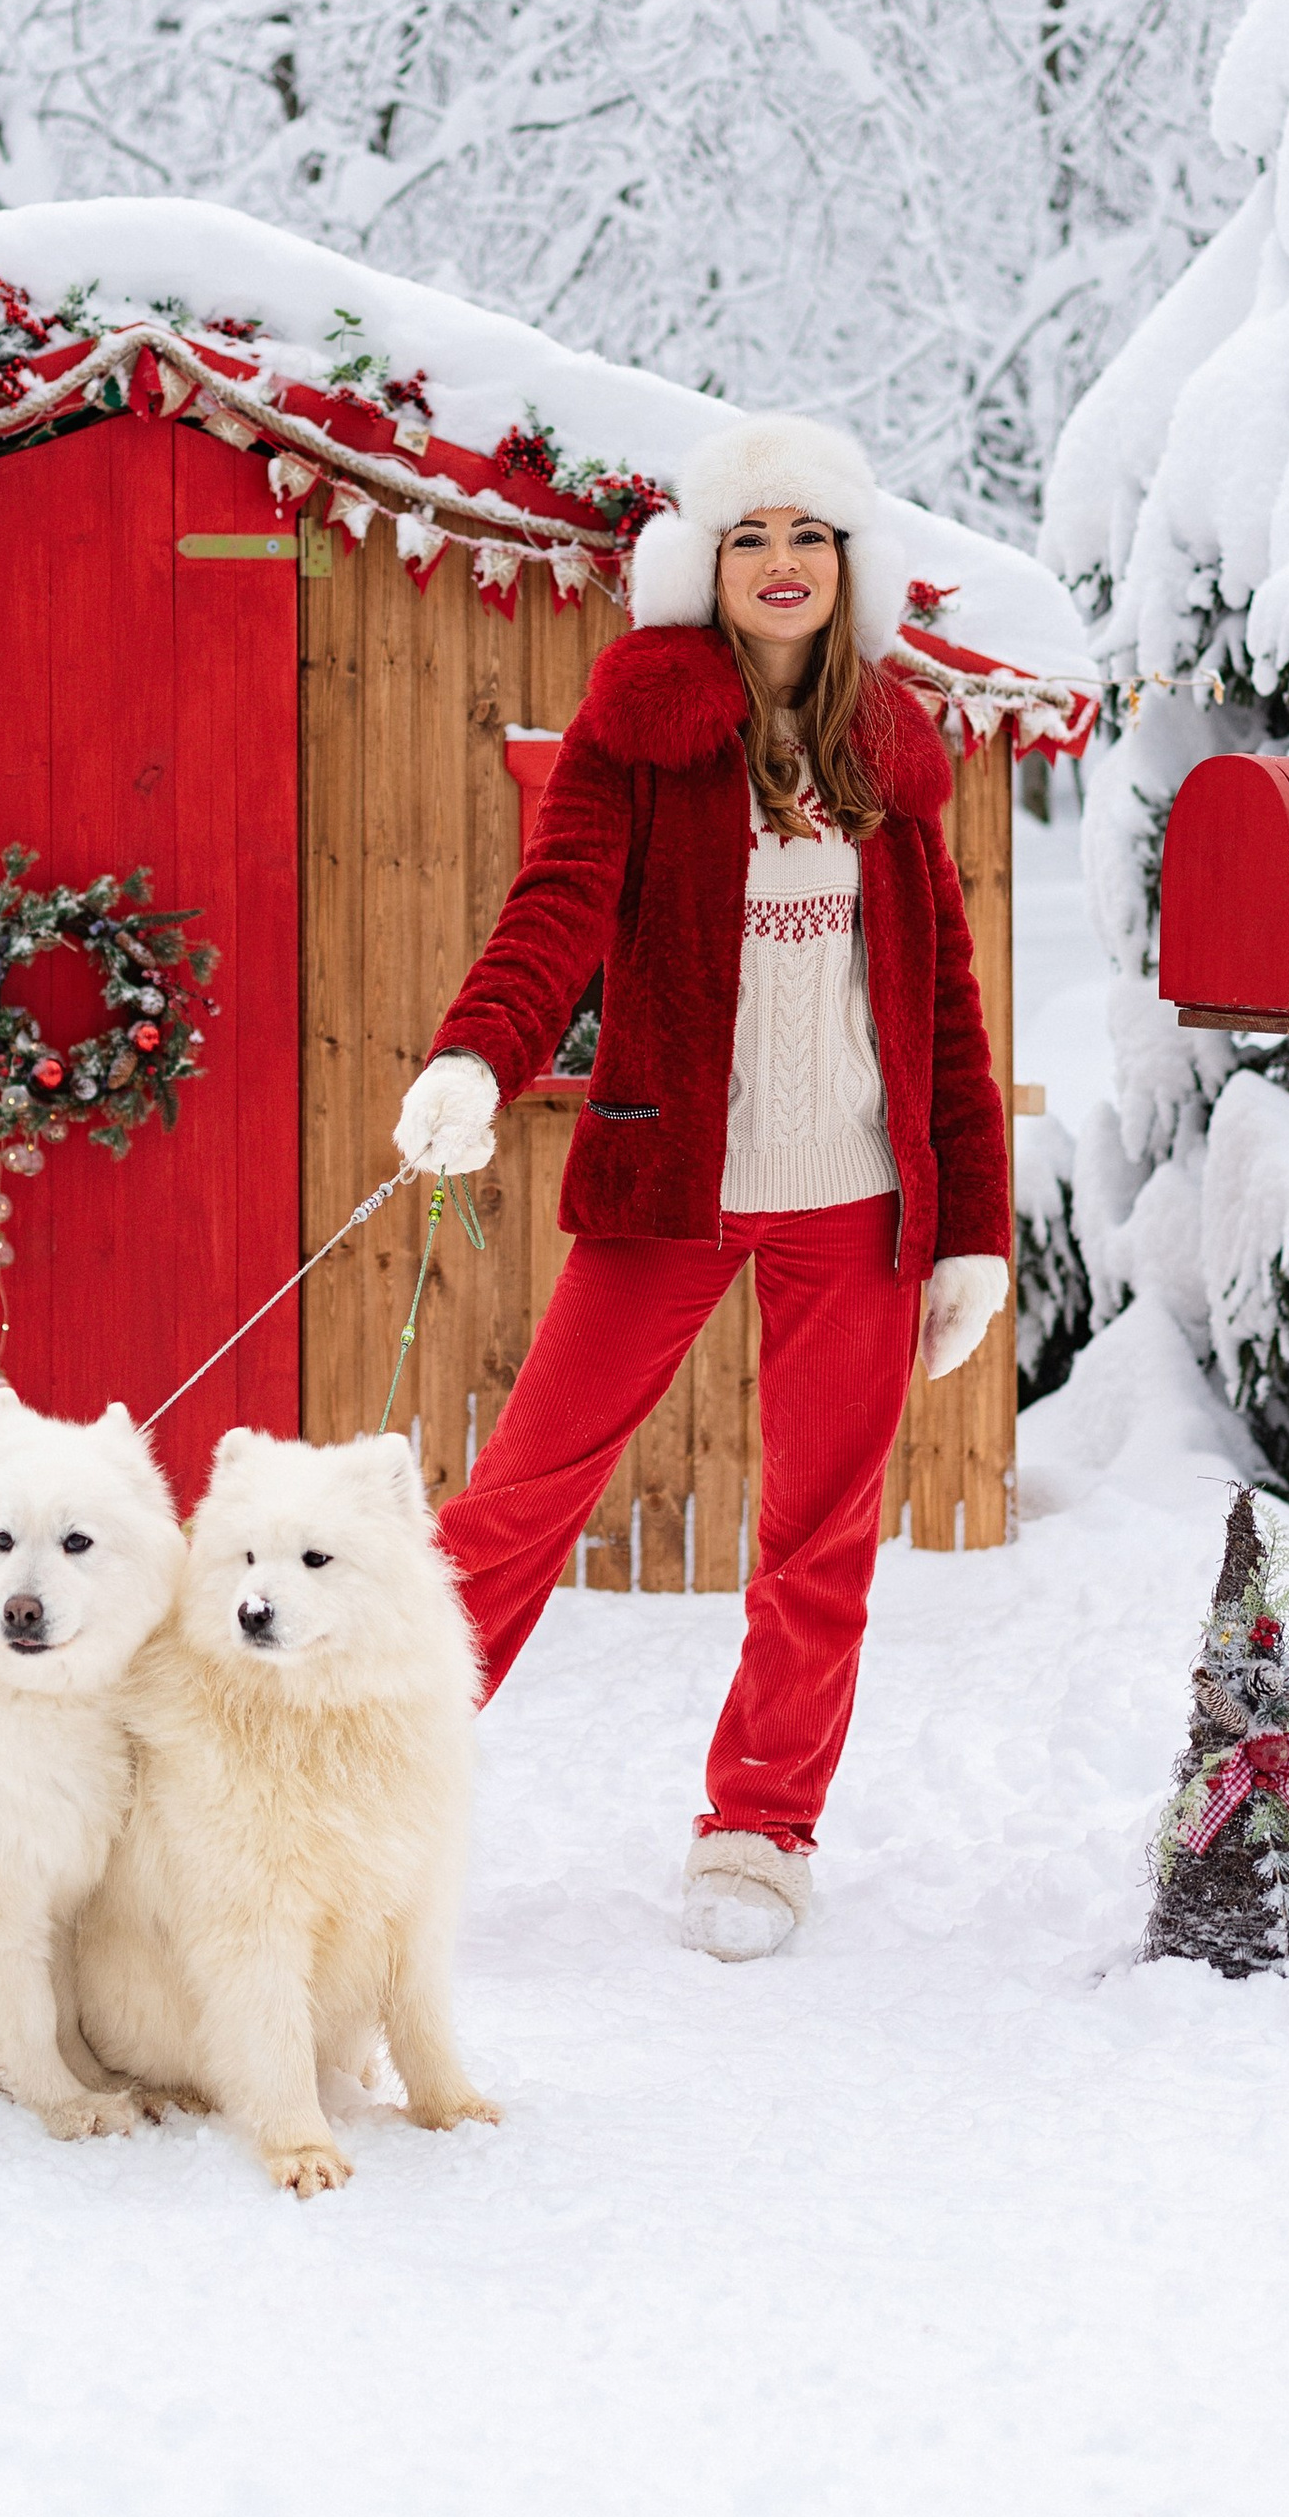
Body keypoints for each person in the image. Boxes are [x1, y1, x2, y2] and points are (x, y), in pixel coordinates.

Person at [393, 414, 1009, 1961]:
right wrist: (476, 1056)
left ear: (848, 568)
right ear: (708, 568)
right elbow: (553, 915)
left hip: (860, 1203)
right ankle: (365, 1777)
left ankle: (760, 1828)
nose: (783, 564)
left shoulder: (889, 752)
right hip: (673, 1177)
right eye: (752, 538)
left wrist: (974, 1233)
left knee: (821, 1534)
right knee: (523, 1493)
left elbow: (946, 1013)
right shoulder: (642, 734)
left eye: (809, 537)